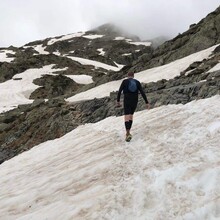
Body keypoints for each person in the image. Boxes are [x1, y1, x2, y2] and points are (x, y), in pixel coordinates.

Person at [117, 72, 150, 142]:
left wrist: (118, 101)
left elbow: (119, 91)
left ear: (127, 76)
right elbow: (142, 92)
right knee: (131, 116)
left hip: (127, 100)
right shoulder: (137, 82)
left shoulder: (124, 81)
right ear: (133, 76)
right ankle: (129, 131)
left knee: (126, 116)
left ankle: (127, 133)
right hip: (135, 101)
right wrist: (146, 102)